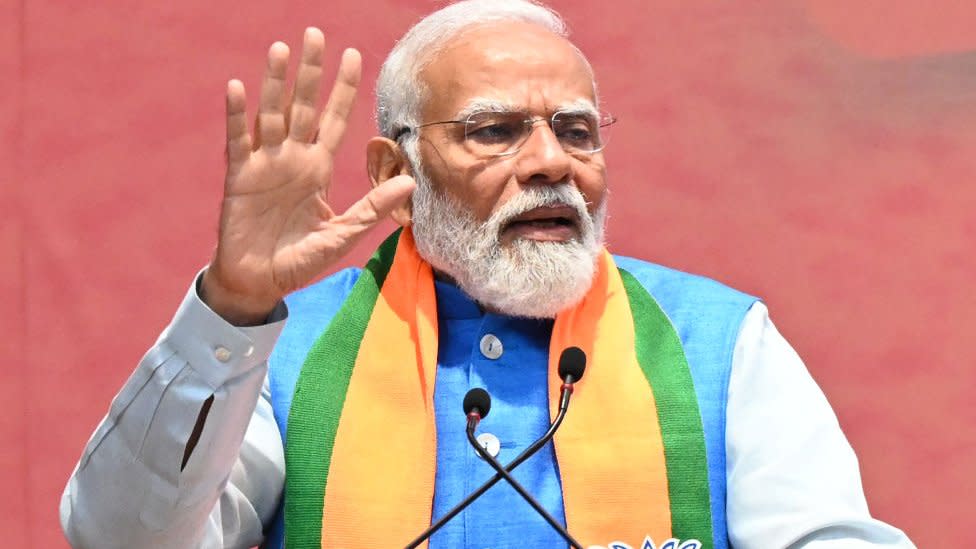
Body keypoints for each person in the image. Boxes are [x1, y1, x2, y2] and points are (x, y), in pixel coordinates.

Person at [59, 1, 916, 548]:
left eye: (577, 131)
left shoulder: (722, 344)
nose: (551, 162)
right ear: (396, 168)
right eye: (496, 131)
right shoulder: (288, 356)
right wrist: (236, 305)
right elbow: (119, 538)